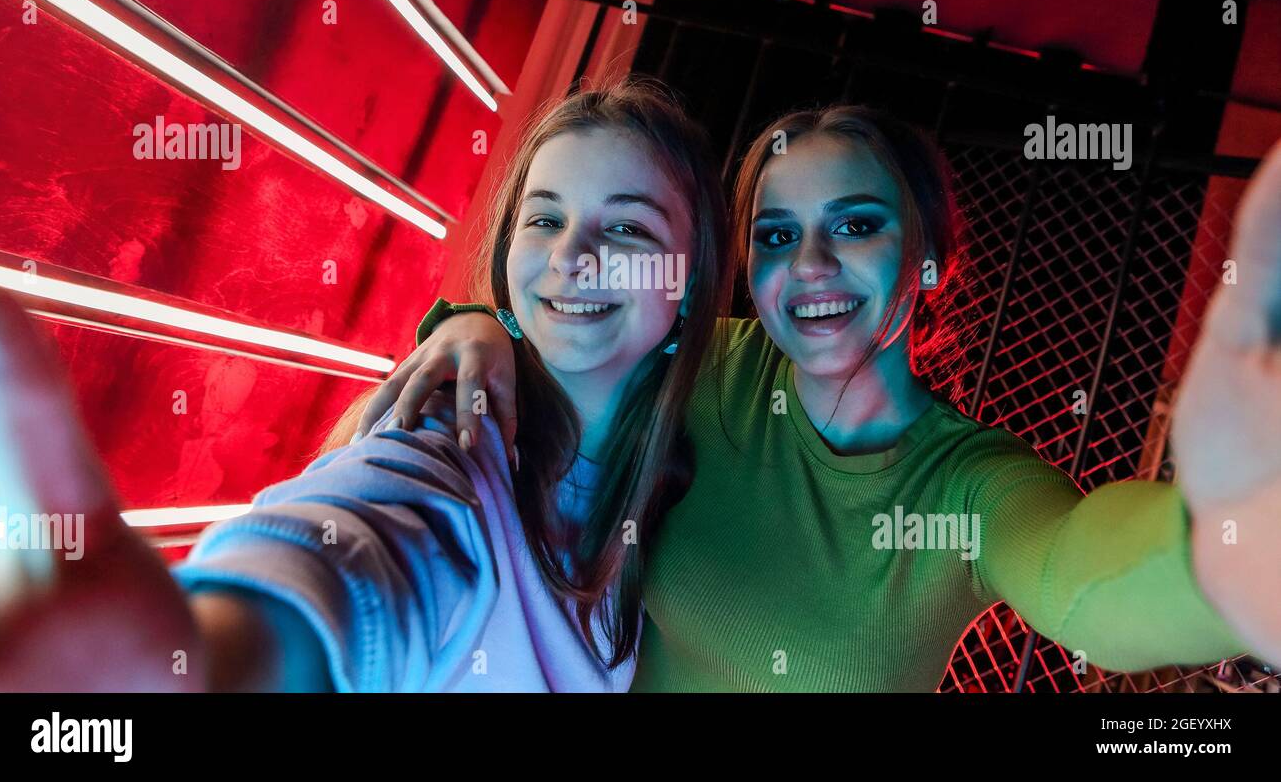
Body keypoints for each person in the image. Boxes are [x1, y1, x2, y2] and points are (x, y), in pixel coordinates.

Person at [370, 106, 1281, 691]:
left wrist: (1232, 543)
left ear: (927, 259)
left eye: (854, 224)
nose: (809, 266)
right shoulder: (705, 365)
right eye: (775, 234)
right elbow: (568, 324)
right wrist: (475, 327)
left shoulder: (964, 487)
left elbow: (1079, 581)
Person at [0, 80, 731, 692]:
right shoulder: (451, 429)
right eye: (544, 219)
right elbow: (368, 546)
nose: (572, 256)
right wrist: (207, 655)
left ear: (691, 284)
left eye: (628, 228)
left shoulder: (681, 492)